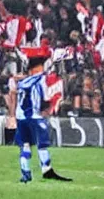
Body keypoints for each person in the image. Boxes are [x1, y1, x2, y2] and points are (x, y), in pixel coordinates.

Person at [15, 48, 72, 184]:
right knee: (34, 145)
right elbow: (33, 80)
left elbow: (45, 97)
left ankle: (38, 172)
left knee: (34, 145)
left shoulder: (34, 81)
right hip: (29, 117)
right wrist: (50, 64)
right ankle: (33, 172)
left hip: (26, 116)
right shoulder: (25, 82)